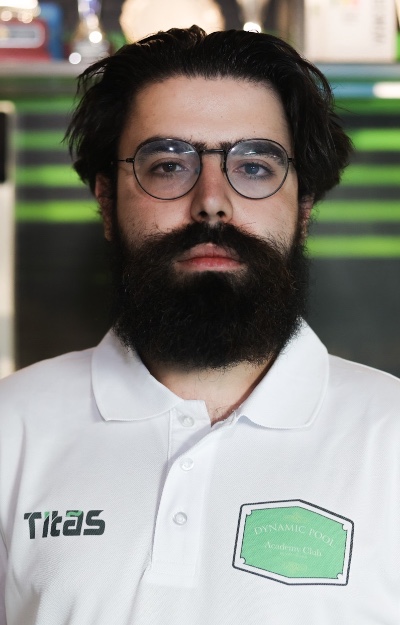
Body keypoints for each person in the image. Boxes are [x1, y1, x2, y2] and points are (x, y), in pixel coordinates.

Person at [0, 26, 399, 625]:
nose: (212, 200)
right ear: (106, 201)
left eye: (255, 166)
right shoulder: (11, 427)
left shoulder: (390, 438)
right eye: (168, 165)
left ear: (304, 207)